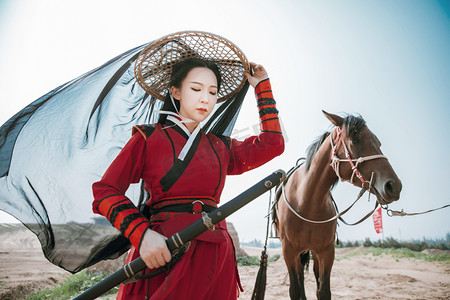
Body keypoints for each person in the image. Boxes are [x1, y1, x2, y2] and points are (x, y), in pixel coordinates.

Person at [92, 56, 284, 299]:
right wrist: (141, 234)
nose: (205, 98)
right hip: (164, 249)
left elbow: (273, 144)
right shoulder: (148, 138)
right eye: (196, 89)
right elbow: (105, 191)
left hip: (216, 254)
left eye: (213, 92)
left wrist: (262, 87)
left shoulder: (221, 147)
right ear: (176, 92)